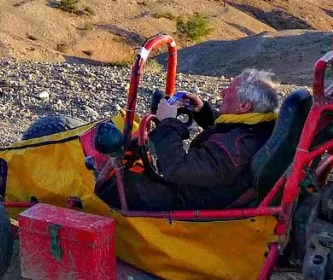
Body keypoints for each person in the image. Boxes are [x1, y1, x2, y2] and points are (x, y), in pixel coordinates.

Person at [98, 69, 281, 212]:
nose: (222, 92)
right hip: (209, 188)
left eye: (229, 91)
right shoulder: (260, 126)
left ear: (244, 106)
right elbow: (232, 129)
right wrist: (202, 111)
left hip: (187, 202)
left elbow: (177, 169)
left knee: (114, 187)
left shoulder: (233, 149)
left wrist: (168, 123)